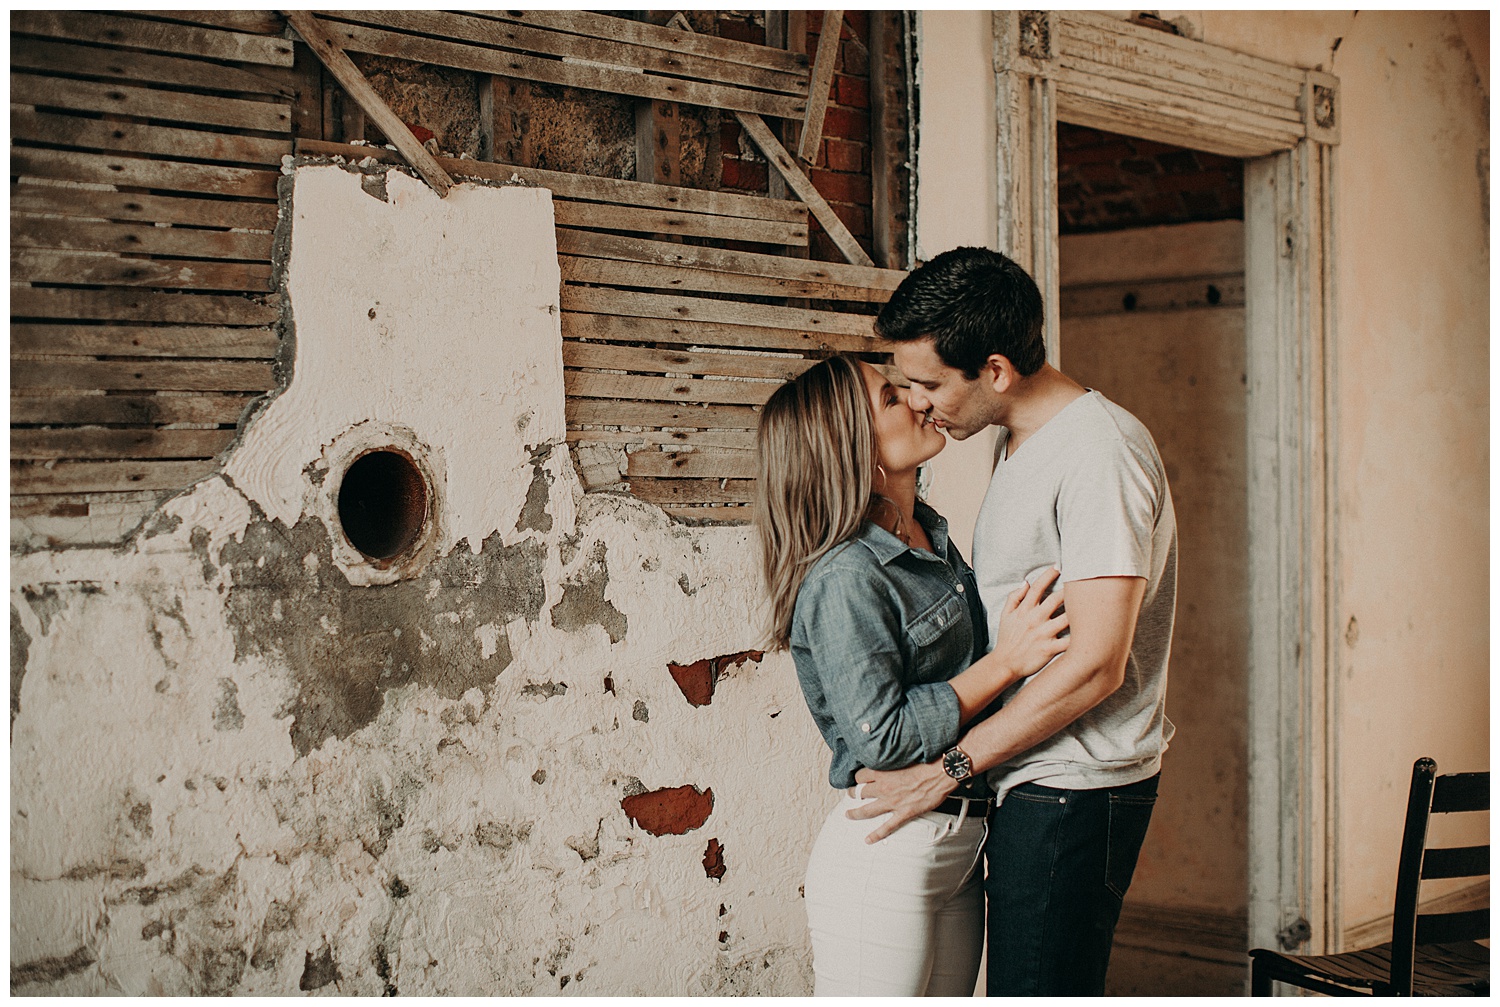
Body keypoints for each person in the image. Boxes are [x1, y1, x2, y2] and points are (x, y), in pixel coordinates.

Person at [853, 246, 1178, 996]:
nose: (920, 402)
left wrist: (950, 766)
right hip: (1036, 776)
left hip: (1076, 786)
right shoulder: (1021, 439)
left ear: (995, 369)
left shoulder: (1100, 451)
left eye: (930, 383)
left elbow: (1098, 661)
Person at [753, 354, 1070, 996]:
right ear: (855, 444)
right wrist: (1006, 661)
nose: (920, 400)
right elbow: (884, 739)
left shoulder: (931, 537)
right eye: (892, 398)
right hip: (891, 847)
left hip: (962, 838)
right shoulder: (846, 575)